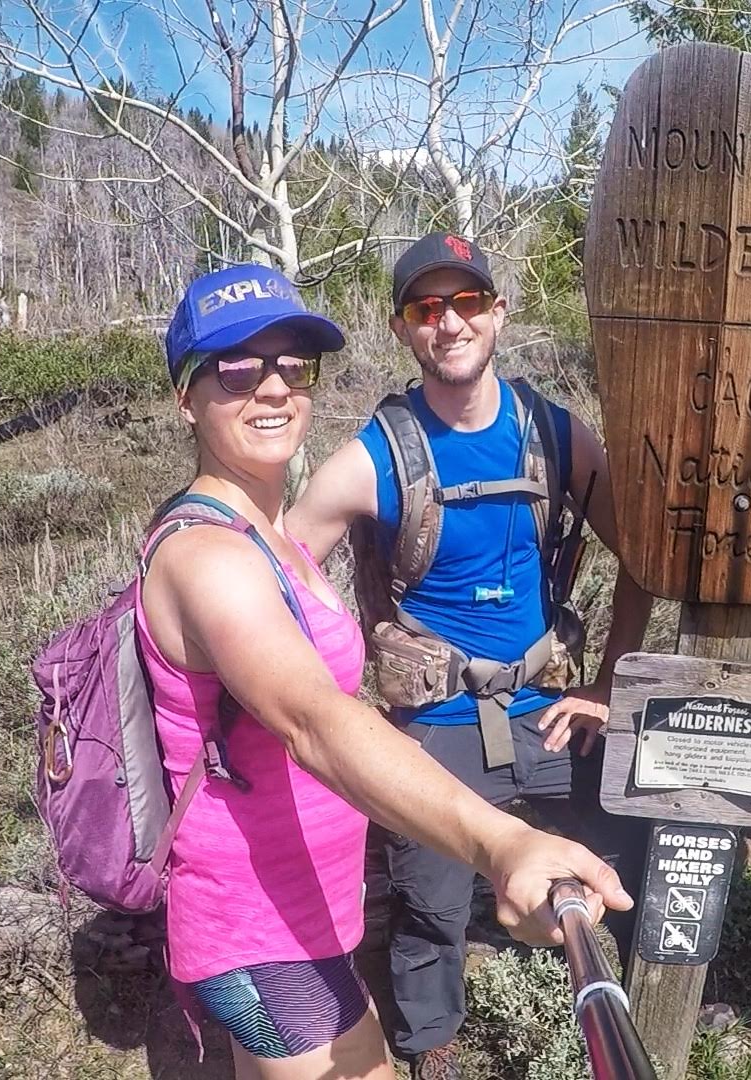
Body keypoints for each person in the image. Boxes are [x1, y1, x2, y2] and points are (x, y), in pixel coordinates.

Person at [142, 264, 631, 1080]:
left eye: (293, 366)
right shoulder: (211, 560)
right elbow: (314, 721)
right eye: (235, 367)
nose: (271, 388)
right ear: (185, 398)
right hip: (259, 929)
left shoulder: (271, 539)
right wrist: (502, 841)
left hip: (298, 915)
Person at [287, 235, 653, 1079]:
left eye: (465, 303)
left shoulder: (558, 436)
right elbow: (283, 570)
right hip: (436, 720)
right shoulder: (375, 455)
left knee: (637, 833)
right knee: (429, 902)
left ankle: (649, 988)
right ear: (402, 329)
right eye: (426, 308)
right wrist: (327, 703)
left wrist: (609, 685)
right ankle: (429, 1045)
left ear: (497, 312)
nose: (448, 323)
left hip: (551, 704)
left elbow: (640, 558)